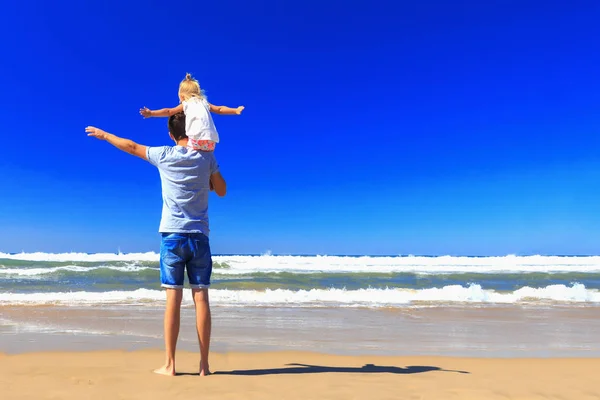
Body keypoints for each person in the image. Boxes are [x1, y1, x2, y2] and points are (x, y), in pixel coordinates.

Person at [86, 112, 226, 377]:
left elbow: (130, 145)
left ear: (172, 135)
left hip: (172, 236)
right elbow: (221, 190)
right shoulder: (206, 157)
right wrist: (209, 173)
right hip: (199, 235)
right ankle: (204, 366)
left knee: (173, 300)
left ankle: (171, 365)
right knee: (201, 298)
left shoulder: (164, 154)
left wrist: (104, 135)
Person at [139, 73, 244, 152]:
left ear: (181, 96)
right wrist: (235, 110)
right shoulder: (204, 102)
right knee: (208, 161)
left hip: (195, 139)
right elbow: (220, 109)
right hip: (211, 141)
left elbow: (168, 111)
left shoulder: (186, 104)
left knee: (187, 157)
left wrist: (151, 113)